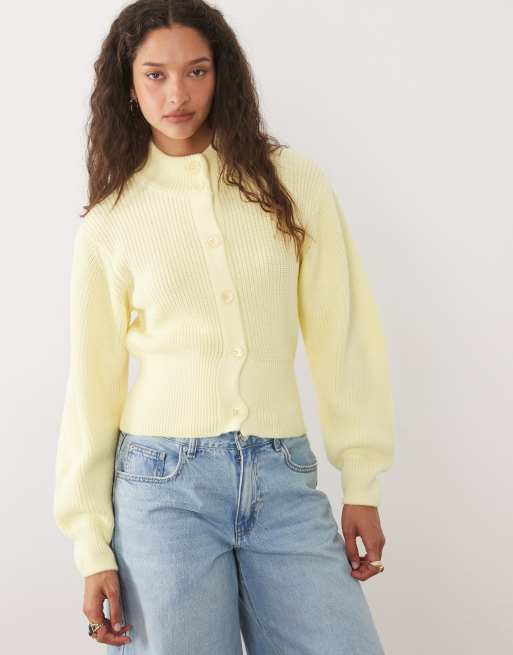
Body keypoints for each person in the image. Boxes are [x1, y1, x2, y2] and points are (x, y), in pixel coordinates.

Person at [52, 0, 395, 652]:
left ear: (222, 74)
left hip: (282, 478)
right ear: (127, 84)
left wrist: (361, 480)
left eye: (196, 71)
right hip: (162, 489)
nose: (177, 94)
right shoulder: (111, 220)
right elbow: (91, 387)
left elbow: (342, 334)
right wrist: (90, 542)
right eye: (155, 75)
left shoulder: (291, 182)